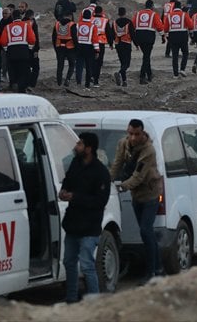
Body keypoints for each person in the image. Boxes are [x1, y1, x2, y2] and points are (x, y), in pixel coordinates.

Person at [58, 131, 112, 303]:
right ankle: (72, 298)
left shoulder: (101, 172)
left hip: (90, 226)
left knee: (87, 264)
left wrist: (75, 197)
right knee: (68, 261)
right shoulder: (76, 163)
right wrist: (64, 192)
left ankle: (94, 302)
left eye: (80, 144)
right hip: (73, 224)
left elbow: (99, 201)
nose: (76, 146)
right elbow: (68, 180)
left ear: (89, 148)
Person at [111, 119, 163, 282]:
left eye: (136, 134)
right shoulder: (123, 144)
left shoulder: (148, 150)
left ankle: (152, 272)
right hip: (136, 195)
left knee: (146, 231)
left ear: (142, 133)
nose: (133, 138)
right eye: (130, 134)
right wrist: (107, 180)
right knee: (147, 234)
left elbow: (139, 176)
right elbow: (117, 164)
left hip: (150, 194)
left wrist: (121, 187)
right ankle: (158, 268)